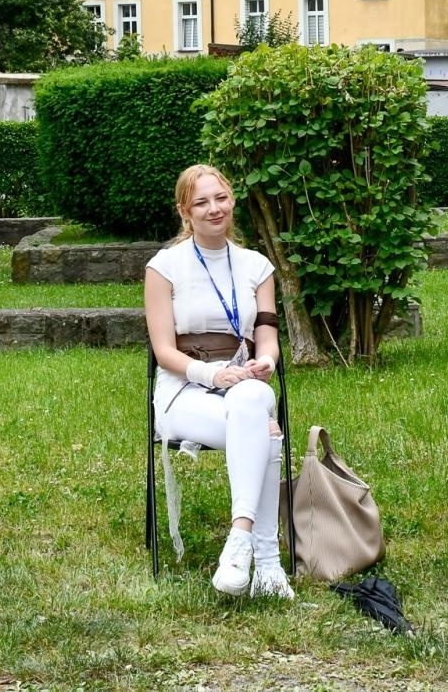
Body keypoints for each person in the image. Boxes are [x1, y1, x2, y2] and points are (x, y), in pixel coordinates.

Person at [146, 164, 292, 599]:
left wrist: (264, 362)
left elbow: (267, 338)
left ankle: (239, 540)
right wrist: (212, 374)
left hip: (242, 385)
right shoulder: (164, 267)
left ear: (232, 200)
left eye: (221, 198)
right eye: (201, 203)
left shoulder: (256, 266)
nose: (214, 209)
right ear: (184, 212)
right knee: (265, 430)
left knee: (251, 400)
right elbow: (163, 351)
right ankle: (265, 561)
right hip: (183, 390)